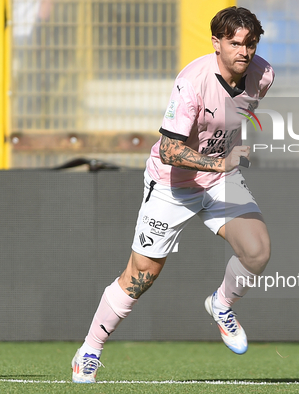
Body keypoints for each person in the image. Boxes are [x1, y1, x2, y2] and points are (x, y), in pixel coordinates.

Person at [71, 6, 274, 383]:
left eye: (250, 43)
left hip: (218, 179)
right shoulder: (192, 82)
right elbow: (168, 150)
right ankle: (89, 350)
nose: (243, 52)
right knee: (140, 276)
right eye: (234, 44)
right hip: (171, 184)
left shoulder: (263, 76)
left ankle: (221, 305)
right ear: (216, 43)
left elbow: (233, 116)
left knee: (257, 251)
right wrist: (221, 162)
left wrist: (224, 157)